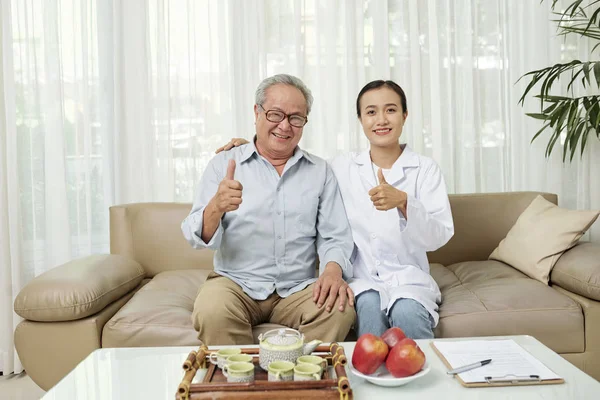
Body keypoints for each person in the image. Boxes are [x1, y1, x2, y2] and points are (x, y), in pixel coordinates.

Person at [216, 80, 454, 339]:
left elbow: (439, 236)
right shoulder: (341, 167)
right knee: (369, 315)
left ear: (405, 115)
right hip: (363, 281)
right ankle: (368, 379)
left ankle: (423, 378)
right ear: (360, 119)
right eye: (371, 112)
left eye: (391, 110)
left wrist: (404, 202)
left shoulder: (426, 169)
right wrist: (252, 148)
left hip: (409, 281)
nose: (381, 120)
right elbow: (295, 164)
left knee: (407, 314)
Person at [181, 74, 356, 346]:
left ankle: (298, 380)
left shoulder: (320, 171)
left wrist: (332, 270)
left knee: (338, 310)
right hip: (236, 283)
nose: (285, 126)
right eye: (275, 114)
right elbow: (194, 236)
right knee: (212, 311)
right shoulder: (224, 163)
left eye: (296, 118)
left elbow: (334, 235)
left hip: (298, 288)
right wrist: (216, 206)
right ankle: (241, 383)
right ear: (257, 112)